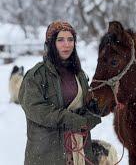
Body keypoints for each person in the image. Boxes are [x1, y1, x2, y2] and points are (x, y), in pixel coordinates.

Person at [19, 21, 101, 165]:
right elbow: (35, 109)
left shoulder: (79, 74)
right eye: (60, 40)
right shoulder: (36, 76)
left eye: (70, 40)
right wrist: (68, 119)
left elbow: (86, 104)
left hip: (78, 152)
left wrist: (92, 115)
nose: (67, 44)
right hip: (47, 154)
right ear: (51, 44)